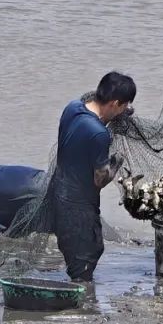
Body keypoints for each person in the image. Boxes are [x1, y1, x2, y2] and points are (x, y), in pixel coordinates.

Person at [51, 71, 135, 281]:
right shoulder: (99, 134)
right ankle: (81, 305)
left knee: (82, 255)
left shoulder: (72, 108)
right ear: (115, 103)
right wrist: (116, 163)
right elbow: (99, 179)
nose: (125, 110)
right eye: (124, 106)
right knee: (85, 260)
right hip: (78, 208)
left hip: (59, 195)